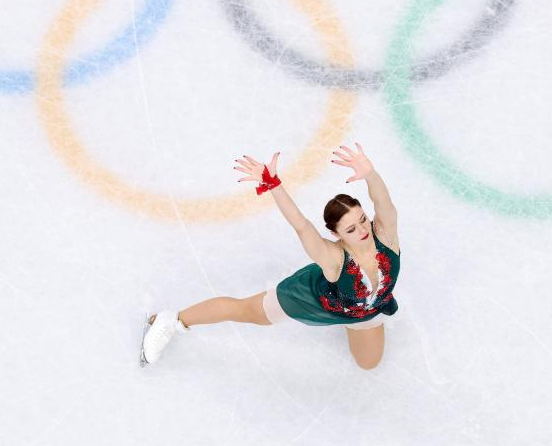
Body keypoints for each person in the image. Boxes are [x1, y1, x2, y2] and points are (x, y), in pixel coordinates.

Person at [140, 142, 401, 370]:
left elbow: (384, 203)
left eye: (363, 220)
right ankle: (171, 320)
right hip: (312, 297)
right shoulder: (334, 258)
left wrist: (370, 175)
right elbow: (301, 225)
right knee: (247, 311)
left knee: (368, 363)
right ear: (337, 234)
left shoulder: (386, 237)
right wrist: (274, 185)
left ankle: (352, 320)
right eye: (351, 229)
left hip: (365, 309)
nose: (363, 230)